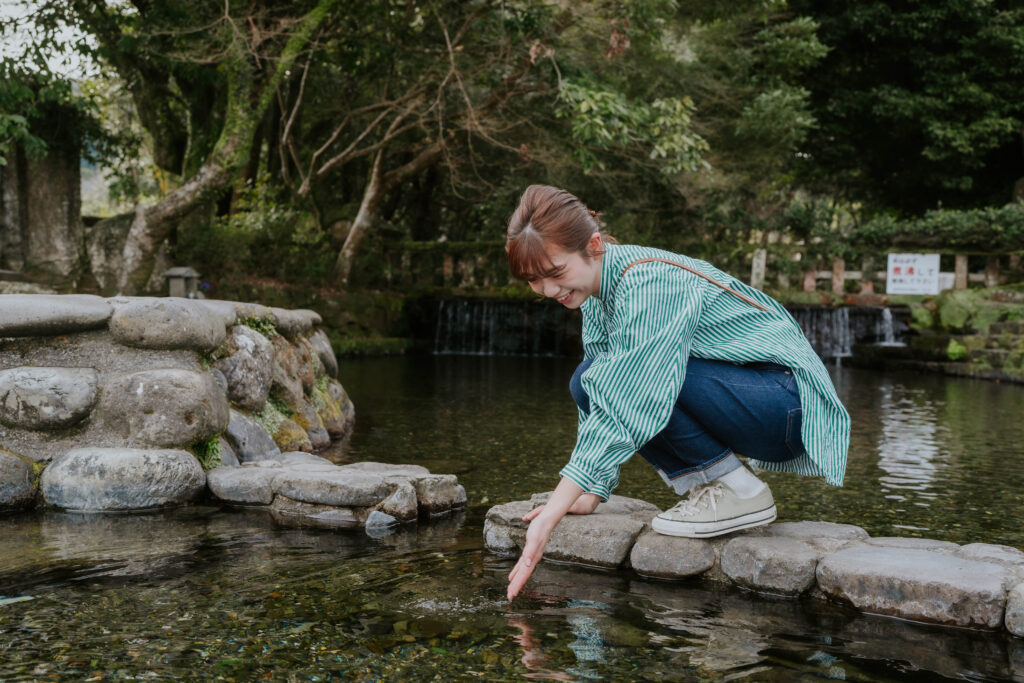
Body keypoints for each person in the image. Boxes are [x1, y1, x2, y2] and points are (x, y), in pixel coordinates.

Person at [504, 185, 850, 600]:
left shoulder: (651, 281)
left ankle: (740, 492)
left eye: (555, 273)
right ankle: (721, 488)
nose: (546, 290)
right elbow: (602, 392)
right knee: (590, 377)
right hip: (753, 400)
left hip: (786, 404)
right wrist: (592, 488)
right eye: (533, 280)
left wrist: (552, 513)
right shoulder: (597, 295)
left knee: (634, 376)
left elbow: (633, 392)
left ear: (593, 245)